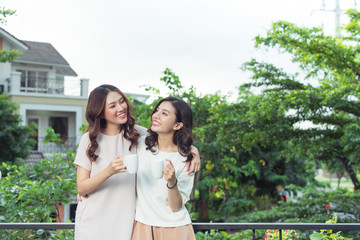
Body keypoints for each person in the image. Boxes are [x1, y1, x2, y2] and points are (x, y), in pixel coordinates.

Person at [74, 85, 200, 240]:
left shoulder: (137, 135)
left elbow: (170, 139)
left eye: (122, 101)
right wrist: (109, 171)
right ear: (100, 113)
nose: (121, 108)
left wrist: (193, 151)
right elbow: (81, 187)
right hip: (94, 220)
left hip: (126, 222)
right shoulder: (88, 140)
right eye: (113, 106)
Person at [132, 96, 196, 240]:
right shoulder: (141, 144)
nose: (156, 115)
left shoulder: (185, 159)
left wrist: (172, 182)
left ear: (178, 125)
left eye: (164, 113)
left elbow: (176, 207)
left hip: (175, 229)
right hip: (143, 225)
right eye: (157, 110)